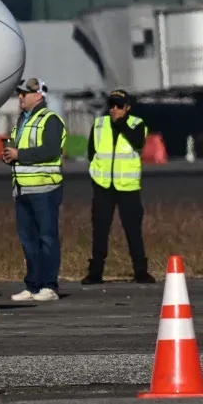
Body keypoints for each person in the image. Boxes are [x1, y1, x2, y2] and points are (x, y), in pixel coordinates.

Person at [3, 77, 67, 303]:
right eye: (19, 94)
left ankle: (49, 286)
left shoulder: (50, 120)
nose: (20, 97)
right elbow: (16, 145)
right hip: (22, 189)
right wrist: (9, 155)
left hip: (45, 189)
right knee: (28, 240)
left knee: (47, 238)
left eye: (25, 93)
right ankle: (32, 284)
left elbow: (50, 150)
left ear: (38, 95)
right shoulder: (22, 120)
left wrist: (20, 155)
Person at [84, 89, 154, 285]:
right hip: (103, 186)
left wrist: (121, 123)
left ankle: (140, 270)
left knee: (133, 230)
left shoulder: (136, 124)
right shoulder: (98, 125)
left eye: (119, 106)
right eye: (112, 105)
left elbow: (138, 142)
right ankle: (95, 272)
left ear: (128, 108)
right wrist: (96, 174)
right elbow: (91, 153)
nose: (114, 109)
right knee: (100, 230)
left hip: (128, 187)